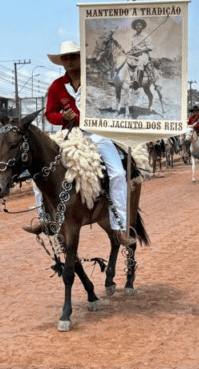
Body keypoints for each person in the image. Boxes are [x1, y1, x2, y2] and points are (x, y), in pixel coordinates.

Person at [22, 40, 132, 246]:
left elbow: (105, 108)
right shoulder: (57, 86)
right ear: (61, 62)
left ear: (81, 58)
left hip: (96, 133)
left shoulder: (96, 82)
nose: (68, 61)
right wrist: (63, 118)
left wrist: (79, 117)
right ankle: (44, 219)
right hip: (68, 135)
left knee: (117, 173)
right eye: (65, 58)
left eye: (73, 56)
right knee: (39, 173)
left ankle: (119, 227)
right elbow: (49, 113)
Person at [116, 19, 154, 116]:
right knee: (125, 60)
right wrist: (131, 51)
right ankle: (125, 79)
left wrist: (140, 50)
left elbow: (150, 47)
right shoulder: (133, 37)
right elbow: (133, 47)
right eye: (136, 25)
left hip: (144, 55)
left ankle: (136, 82)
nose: (138, 27)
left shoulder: (146, 36)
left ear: (142, 27)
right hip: (135, 55)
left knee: (140, 64)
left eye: (139, 25)